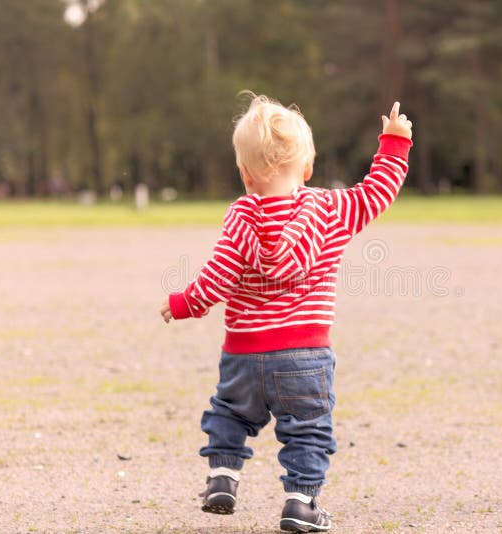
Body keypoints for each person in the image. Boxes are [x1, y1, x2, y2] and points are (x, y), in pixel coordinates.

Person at [160, 93, 412, 532]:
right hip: (304, 356)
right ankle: (301, 503)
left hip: (243, 353)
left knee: (230, 412)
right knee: (308, 430)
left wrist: (185, 303)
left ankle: (223, 476)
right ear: (309, 169)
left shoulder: (240, 216)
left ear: (244, 174)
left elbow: (217, 276)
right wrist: (393, 143)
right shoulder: (330, 210)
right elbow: (376, 193)